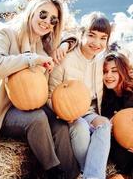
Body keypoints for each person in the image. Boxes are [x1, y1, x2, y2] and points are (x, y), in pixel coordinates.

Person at [0, 0, 79, 179]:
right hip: (2, 110)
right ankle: (53, 172)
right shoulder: (6, 34)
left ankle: (72, 175)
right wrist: (31, 60)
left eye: (53, 20)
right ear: (32, 10)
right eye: (43, 14)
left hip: (30, 103)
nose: (46, 22)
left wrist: (65, 45)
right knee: (37, 118)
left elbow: (75, 37)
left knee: (60, 124)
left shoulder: (44, 44)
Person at [48, 11, 112, 179]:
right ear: (81, 34)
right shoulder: (65, 58)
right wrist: (61, 112)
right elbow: (49, 94)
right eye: (92, 35)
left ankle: (89, 176)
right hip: (67, 113)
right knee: (81, 127)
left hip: (89, 111)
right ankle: (92, 174)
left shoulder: (101, 60)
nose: (97, 43)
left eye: (103, 38)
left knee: (104, 124)